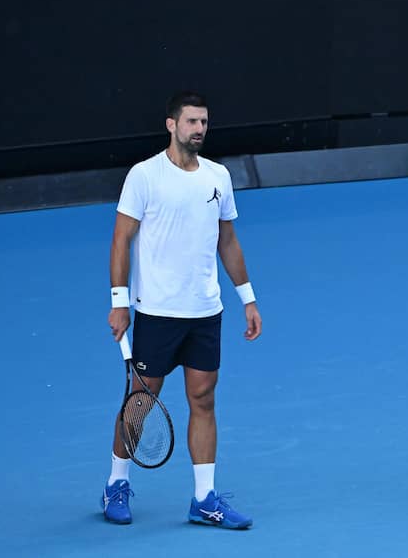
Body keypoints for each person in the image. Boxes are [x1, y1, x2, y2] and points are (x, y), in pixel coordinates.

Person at [101, 91, 263, 527]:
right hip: (156, 312)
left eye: (204, 122)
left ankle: (204, 499)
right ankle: (116, 483)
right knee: (140, 402)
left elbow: (227, 241)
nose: (199, 130)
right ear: (171, 125)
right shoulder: (144, 176)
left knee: (203, 400)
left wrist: (247, 297)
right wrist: (119, 304)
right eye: (191, 122)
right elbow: (121, 240)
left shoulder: (218, 177)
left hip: (206, 311)